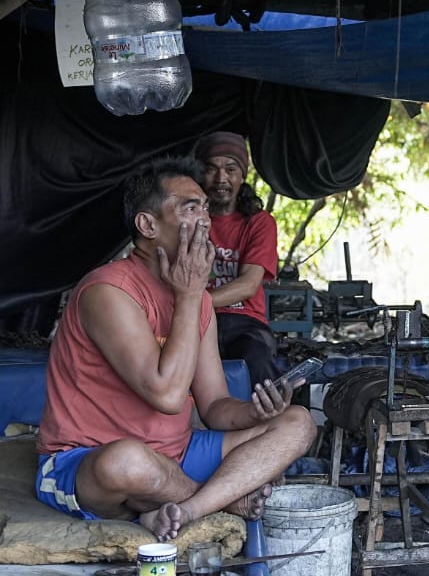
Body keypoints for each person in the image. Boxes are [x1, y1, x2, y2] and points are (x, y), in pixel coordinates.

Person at [35, 157, 317, 541]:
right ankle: (224, 502)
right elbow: (167, 394)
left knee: (297, 422)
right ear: (148, 225)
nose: (206, 219)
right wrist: (188, 295)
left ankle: (186, 509)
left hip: (176, 455)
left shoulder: (198, 299)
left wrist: (254, 411)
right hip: (87, 460)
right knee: (126, 461)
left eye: (204, 207)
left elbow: (215, 406)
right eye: (189, 207)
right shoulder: (107, 290)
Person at [194, 131, 280, 387]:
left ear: (242, 176)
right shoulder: (185, 219)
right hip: (193, 319)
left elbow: (248, 285)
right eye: (212, 169)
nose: (221, 178)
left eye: (231, 169)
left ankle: (269, 424)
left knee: (257, 358)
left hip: (244, 322)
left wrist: (192, 301)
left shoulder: (259, 222)